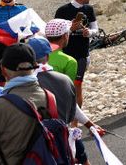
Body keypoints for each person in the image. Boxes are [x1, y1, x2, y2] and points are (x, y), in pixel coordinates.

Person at [28, 36, 102, 164]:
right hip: (66, 135)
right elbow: (73, 106)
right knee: (83, 159)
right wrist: (90, 125)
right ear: (48, 56)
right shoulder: (64, 79)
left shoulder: (28, 84)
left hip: (40, 143)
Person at [54, 0, 98, 106]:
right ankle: (66, 115)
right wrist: (71, 29)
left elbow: (96, 29)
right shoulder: (62, 10)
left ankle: (75, 121)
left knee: (77, 86)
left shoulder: (89, 9)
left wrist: (89, 32)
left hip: (82, 53)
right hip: (65, 53)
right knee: (65, 86)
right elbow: (54, 34)